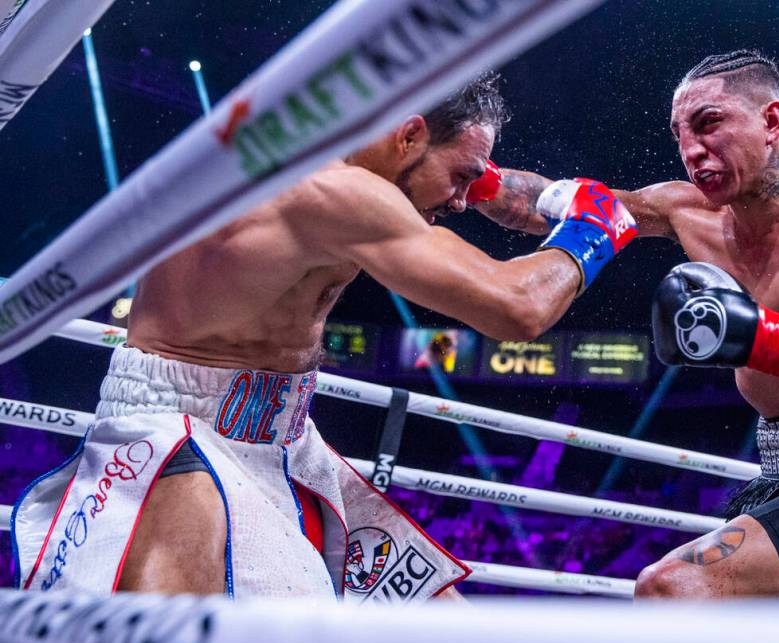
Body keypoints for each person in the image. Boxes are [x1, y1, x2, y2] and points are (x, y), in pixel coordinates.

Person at [11, 73, 638, 602]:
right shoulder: (336, 192)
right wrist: (592, 231)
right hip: (180, 431)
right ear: (409, 133)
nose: (461, 198)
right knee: (191, 634)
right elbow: (516, 308)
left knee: (434, 623)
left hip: (277, 436)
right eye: (462, 175)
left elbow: (458, 187)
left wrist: (492, 184)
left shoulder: (321, 159)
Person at [474, 51, 779, 614]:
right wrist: (463, 173)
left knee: (670, 589)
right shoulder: (686, 211)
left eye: (709, 124)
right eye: (680, 135)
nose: (692, 150)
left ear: (772, 122)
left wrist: (755, 336)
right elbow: (555, 205)